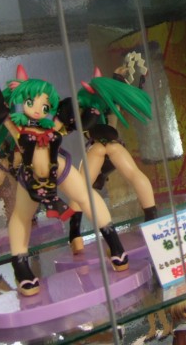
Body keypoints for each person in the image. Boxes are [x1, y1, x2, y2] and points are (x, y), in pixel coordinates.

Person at [0, 58, 129, 296]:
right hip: (31, 178)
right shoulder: (16, 128)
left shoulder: (54, 125)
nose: (39, 109)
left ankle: (114, 243)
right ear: (23, 102)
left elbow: (80, 119)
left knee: (86, 196)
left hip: (58, 168)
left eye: (45, 105)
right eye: (32, 102)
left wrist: (95, 105)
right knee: (21, 217)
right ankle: (21, 267)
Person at [66, 61, 156, 254]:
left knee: (80, 188)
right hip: (115, 146)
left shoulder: (89, 102)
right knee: (135, 175)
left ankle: (75, 235)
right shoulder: (108, 100)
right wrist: (116, 78)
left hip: (96, 148)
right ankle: (152, 219)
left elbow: (80, 125)